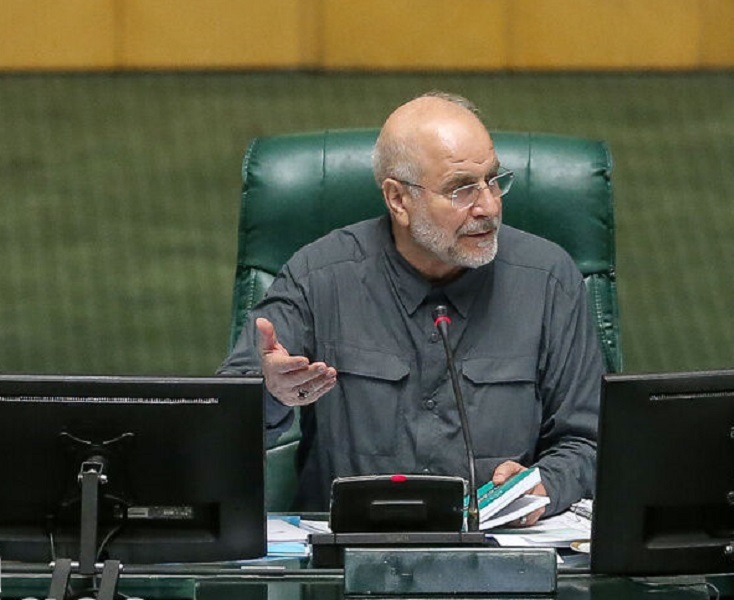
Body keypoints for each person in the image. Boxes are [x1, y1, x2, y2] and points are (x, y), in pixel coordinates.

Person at [219, 91, 604, 525]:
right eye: (461, 189)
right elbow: (220, 425)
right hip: (346, 555)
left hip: (498, 551)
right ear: (399, 200)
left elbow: (591, 442)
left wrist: (543, 486)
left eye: (493, 180)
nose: (489, 206)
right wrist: (269, 393)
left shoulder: (549, 280)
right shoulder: (319, 276)